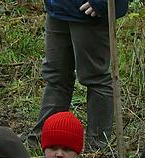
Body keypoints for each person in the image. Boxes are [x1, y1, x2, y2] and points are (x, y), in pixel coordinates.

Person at [28, 0, 129, 150]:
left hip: (88, 13)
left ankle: (97, 146)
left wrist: (102, 2)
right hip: (58, 9)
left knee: (95, 78)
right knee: (56, 77)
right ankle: (45, 136)